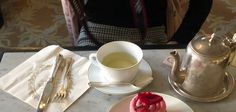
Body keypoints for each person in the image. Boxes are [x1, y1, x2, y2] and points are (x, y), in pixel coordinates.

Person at [67, 0, 213, 47]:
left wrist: (179, 40)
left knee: (159, 97)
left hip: (152, 35)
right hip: (95, 31)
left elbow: (202, 4)